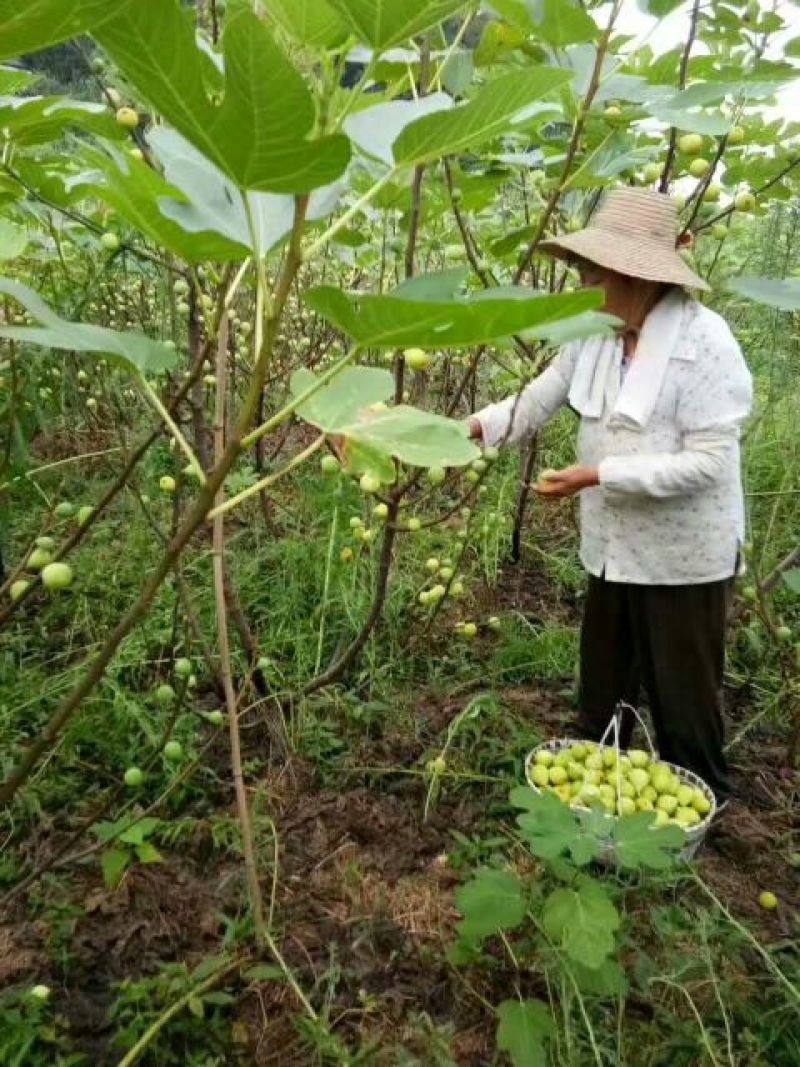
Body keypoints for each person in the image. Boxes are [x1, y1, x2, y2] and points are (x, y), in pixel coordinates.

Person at [468, 187, 753, 805]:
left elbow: (708, 463)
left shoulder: (705, 344)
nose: (583, 282)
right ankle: (599, 802)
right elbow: (537, 398)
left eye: (591, 272)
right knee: (603, 687)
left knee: (683, 697)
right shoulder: (592, 336)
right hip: (613, 546)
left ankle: (698, 814)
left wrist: (598, 475)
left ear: (635, 276)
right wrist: (471, 430)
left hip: (685, 558)